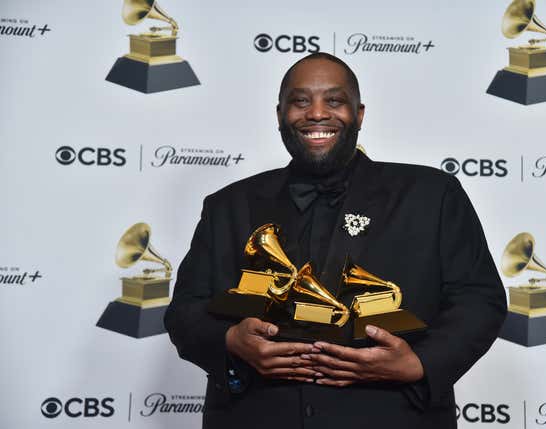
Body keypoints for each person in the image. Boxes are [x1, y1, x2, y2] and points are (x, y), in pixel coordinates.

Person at [165, 52, 507, 429]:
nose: (316, 114)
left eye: (334, 100)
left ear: (359, 114)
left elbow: (479, 299)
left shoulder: (432, 195)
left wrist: (419, 363)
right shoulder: (227, 206)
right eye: (300, 101)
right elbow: (185, 312)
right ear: (280, 114)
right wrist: (231, 339)